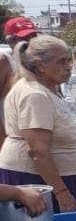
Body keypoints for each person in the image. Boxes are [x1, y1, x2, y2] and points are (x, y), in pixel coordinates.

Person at [0, 36, 76, 212]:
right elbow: (38, 151)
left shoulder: (48, 89)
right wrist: (62, 194)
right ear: (40, 66)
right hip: (37, 181)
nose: (68, 66)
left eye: (69, 60)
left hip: (55, 178)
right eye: (61, 62)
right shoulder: (35, 94)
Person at [0, 17, 41, 147]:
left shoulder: (35, 62)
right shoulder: (5, 61)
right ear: (10, 40)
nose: (29, 41)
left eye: (32, 36)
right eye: (24, 37)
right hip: (11, 138)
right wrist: (3, 142)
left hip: (34, 136)